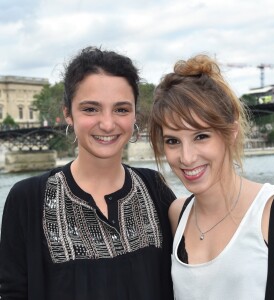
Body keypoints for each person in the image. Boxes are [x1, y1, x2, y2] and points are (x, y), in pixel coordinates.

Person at [0, 46, 176, 300]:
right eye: (91, 109)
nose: (107, 123)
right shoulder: (27, 199)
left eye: (121, 109)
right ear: (67, 114)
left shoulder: (154, 188)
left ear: (135, 114)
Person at [148, 54, 274, 299]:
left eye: (201, 136)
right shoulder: (177, 215)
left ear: (230, 133)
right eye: (173, 141)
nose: (186, 157)